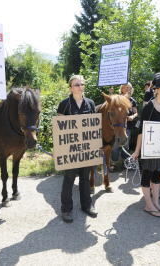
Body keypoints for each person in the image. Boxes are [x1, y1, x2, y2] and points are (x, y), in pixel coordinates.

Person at [132, 72, 160, 217]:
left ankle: (156, 203)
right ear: (156, 90)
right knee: (147, 174)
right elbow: (141, 130)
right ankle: (148, 205)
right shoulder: (149, 107)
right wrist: (137, 151)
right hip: (149, 148)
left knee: (157, 175)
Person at [56, 75, 97, 223]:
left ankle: (87, 205)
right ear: (71, 88)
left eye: (82, 84)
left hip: (86, 149)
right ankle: (66, 209)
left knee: (85, 178)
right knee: (69, 178)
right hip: (70, 150)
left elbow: (94, 127)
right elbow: (59, 129)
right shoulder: (64, 104)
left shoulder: (91, 104)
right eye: (77, 84)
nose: (80, 87)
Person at [110, 83, 138, 169]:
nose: (127, 89)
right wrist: (111, 94)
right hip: (117, 127)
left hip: (127, 126)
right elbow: (111, 105)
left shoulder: (132, 100)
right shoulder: (117, 98)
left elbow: (136, 112)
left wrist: (132, 117)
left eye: (129, 88)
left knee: (125, 146)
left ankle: (126, 164)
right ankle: (114, 164)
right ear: (121, 89)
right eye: (126, 87)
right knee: (115, 146)